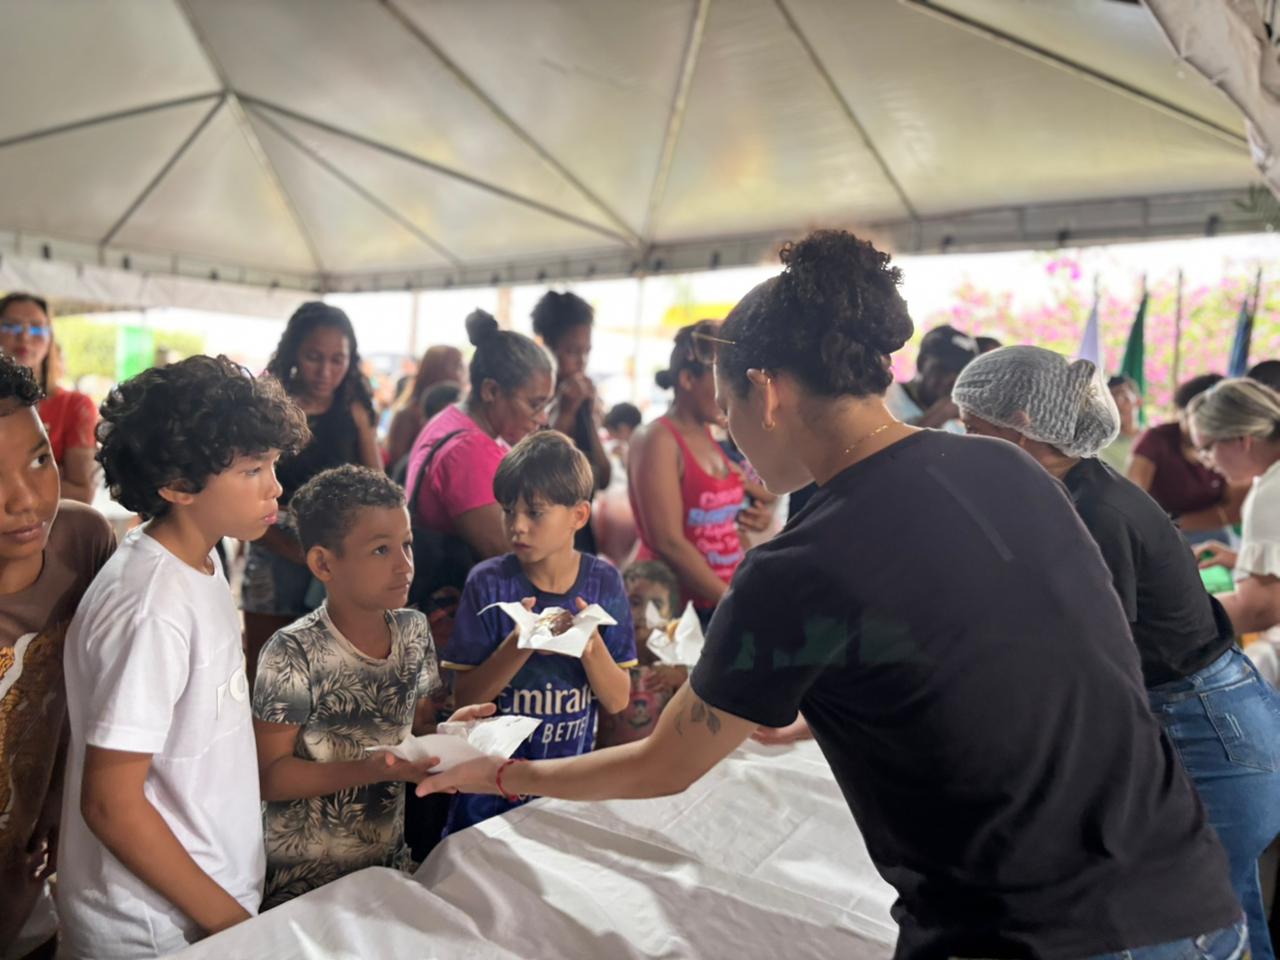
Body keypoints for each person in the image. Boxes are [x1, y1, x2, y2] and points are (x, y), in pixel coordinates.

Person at [416, 231, 1244, 959]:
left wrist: (504, 772)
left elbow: (665, 763)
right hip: (1194, 890)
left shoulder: (801, 563)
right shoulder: (1007, 467)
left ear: (767, 390)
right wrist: (814, 710)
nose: (734, 434)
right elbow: (1007, 652)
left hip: (1037, 931)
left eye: (732, 406)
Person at [955, 346, 1280, 960]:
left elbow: (1092, 660)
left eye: (974, 430)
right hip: (1220, 717)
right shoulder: (1081, 489)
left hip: (1208, 733)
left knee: (1169, 927)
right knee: (1227, 913)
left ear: (1021, 425)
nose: (966, 444)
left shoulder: (1096, 512)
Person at [57, 356, 309, 958]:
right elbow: (111, 804)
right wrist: (233, 923)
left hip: (202, 907)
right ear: (177, 485)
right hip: (152, 929)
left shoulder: (201, 558)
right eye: (252, 469)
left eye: (273, 464)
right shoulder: (150, 606)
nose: (275, 487)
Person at [252, 465, 493, 908]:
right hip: (303, 885)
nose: (405, 566)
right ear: (324, 563)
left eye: (407, 545)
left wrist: (453, 733)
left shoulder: (413, 631)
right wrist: (375, 769)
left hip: (385, 868)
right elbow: (270, 776)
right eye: (381, 550)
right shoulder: (291, 651)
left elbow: (413, 735)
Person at [443, 431, 634, 833]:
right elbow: (465, 698)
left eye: (535, 513)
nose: (517, 526)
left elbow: (618, 699)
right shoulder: (488, 583)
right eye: (507, 511)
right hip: (489, 791)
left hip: (566, 784)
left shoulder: (604, 582)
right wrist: (519, 643)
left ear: (578, 516)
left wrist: (590, 645)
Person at [0, 354, 114, 959]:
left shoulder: (83, 543)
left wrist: (53, 797)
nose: (23, 499)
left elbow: (90, 689)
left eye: (40, 459)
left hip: (30, 884)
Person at [242, 303, 381, 685]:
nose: (325, 372)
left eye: (338, 360)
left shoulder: (353, 410)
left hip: (335, 556)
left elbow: (377, 488)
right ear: (294, 353)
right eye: (314, 358)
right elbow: (243, 493)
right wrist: (294, 550)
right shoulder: (268, 409)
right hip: (272, 545)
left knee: (328, 676)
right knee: (267, 673)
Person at [406, 310, 553, 561]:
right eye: (534, 404)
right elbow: (515, 555)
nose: (542, 418)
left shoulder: (450, 418)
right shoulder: (468, 451)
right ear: (491, 391)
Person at [628, 323, 746, 620]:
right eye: (722, 379)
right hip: (680, 611)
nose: (729, 391)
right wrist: (733, 602)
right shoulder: (657, 439)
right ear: (688, 379)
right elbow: (666, 541)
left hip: (718, 601)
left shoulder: (708, 435)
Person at [1190, 379, 1280, 638]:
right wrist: (1244, 561)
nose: (1207, 461)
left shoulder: (1270, 491)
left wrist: (1172, 621)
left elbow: (1259, 609)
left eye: (1207, 448)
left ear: (1242, 439)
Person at [531, 291, 612, 554]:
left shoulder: (582, 402)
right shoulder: (533, 400)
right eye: (572, 351)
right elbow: (534, 472)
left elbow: (603, 477)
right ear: (547, 348)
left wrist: (589, 414)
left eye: (586, 352)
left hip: (579, 539)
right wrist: (565, 411)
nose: (581, 362)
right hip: (542, 539)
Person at [0, 294, 99, 504]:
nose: (24, 336)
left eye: (36, 328)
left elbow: (82, 493)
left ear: (50, 338)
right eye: (11, 326)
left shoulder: (75, 406)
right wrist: (46, 477)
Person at [1129, 373, 1244, 539]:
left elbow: (1233, 510)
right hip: (1157, 529)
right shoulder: (1156, 439)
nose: (1193, 427)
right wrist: (1164, 525)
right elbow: (1133, 495)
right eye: (1186, 417)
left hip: (1211, 529)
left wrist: (1179, 522)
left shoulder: (1233, 444)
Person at [596, 560, 687, 748]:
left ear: (670, 614)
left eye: (657, 604)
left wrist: (681, 680)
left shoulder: (677, 662)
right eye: (635, 602)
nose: (645, 612)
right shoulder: (603, 654)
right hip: (604, 758)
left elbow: (693, 717)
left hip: (656, 760)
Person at [385, 346, 466, 472]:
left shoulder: (458, 414)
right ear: (437, 371)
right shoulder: (408, 414)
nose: (462, 375)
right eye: (457, 367)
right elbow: (399, 465)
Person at [884, 323, 978, 431]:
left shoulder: (957, 428)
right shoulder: (884, 398)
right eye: (944, 369)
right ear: (921, 362)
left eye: (961, 373)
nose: (951, 380)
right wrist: (941, 414)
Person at [1099, 374, 1141, 473]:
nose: (1117, 403)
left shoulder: (1151, 441)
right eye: (1111, 398)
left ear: (1138, 402)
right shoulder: (1100, 445)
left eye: (1123, 396)